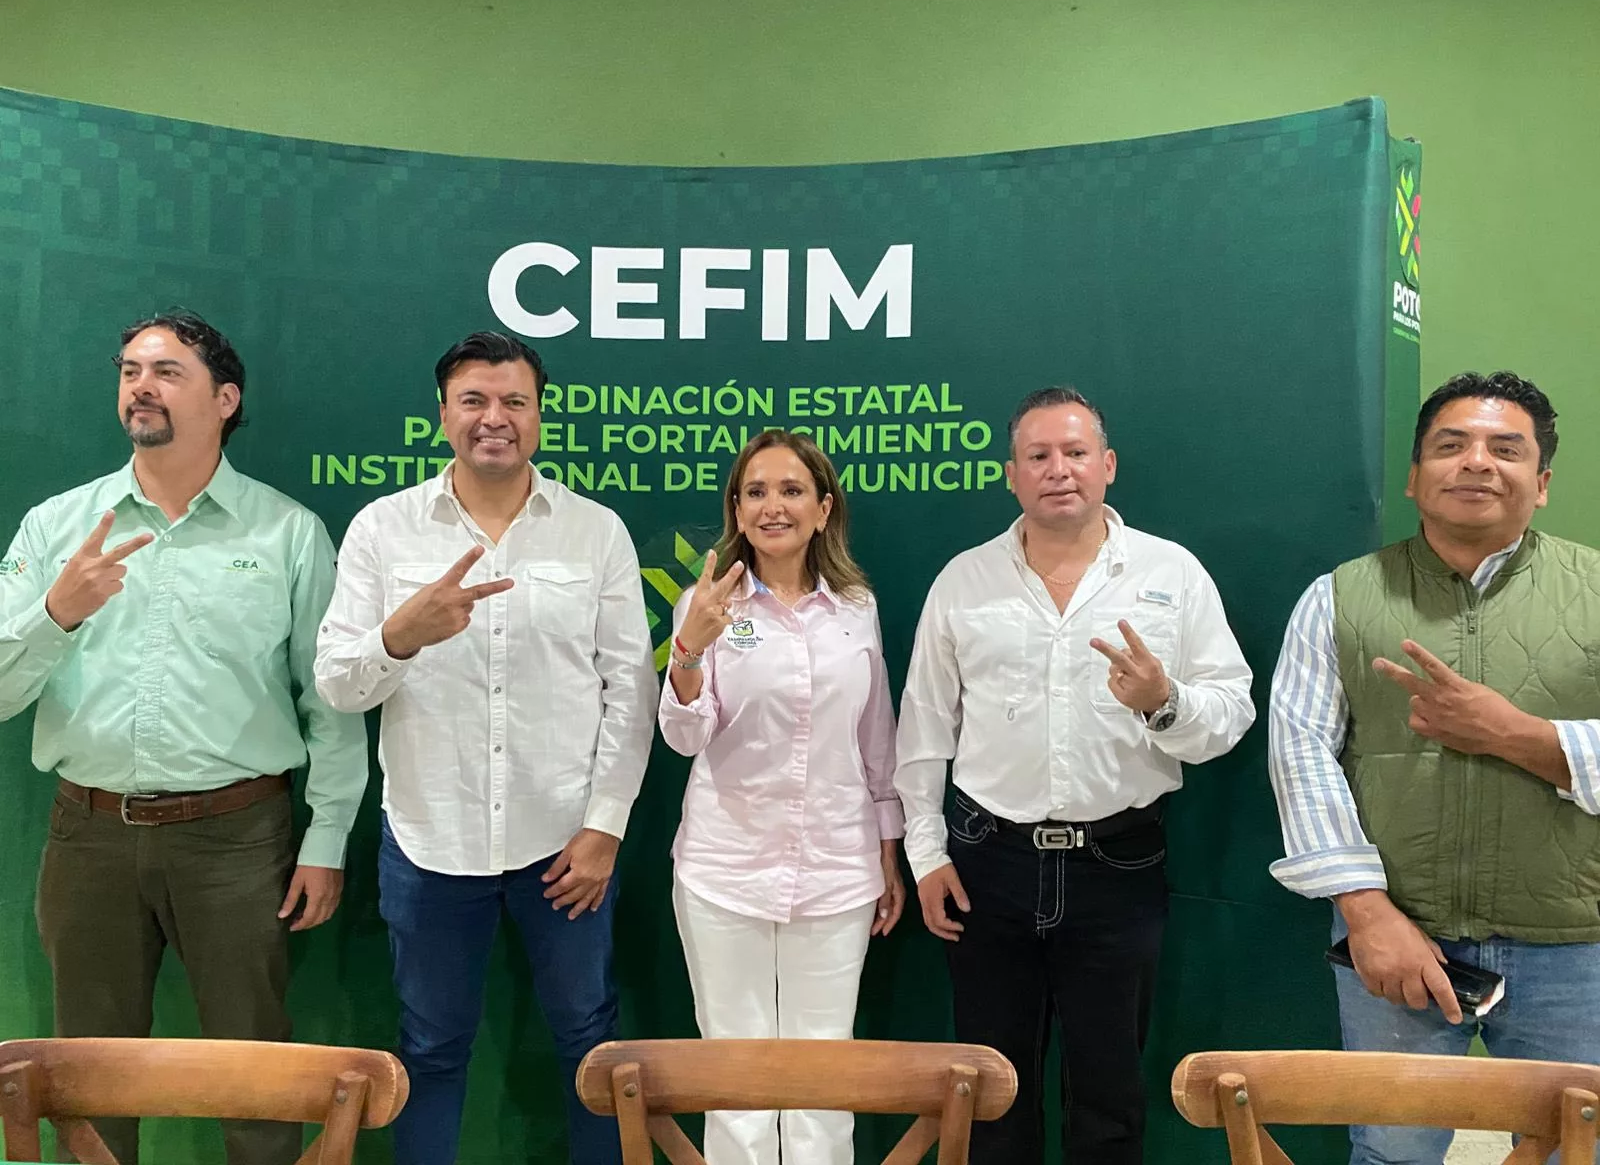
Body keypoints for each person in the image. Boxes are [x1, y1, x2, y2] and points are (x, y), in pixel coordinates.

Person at [0, 311, 368, 1165]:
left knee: (254, 1073)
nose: (142, 386)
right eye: (130, 370)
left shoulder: (287, 532)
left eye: (167, 372)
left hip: (239, 839)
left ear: (224, 399)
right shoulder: (57, 526)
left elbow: (331, 703)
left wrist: (326, 839)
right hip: (89, 835)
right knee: (89, 1074)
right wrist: (57, 612)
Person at [313, 330, 656, 1165]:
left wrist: (605, 826)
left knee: (591, 1045)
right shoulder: (383, 529)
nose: (493, 418)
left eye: (513, 401)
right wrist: (400, 635)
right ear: (442, 415)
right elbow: (337, 684)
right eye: (473, 400)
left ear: (539, 416)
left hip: (565, 845)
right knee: (429, 1048)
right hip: (430, 842)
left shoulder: (595, 531)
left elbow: (630, 688)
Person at [896, 385, 1254, 1164]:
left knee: (1109, 1099)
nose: (1058, 469)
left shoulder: (1171, 573)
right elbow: (923, 728)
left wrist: (1164, 702)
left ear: (1108, 465)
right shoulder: (965, 580)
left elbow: (1232, 713)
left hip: (1117, 866)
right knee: (990, 1096)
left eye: (1075, 452)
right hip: (987, 865)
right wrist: (925, 855)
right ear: (1011, 475)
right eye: (1038, 456)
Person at [1268, 371, 1600, 1165]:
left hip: (1575, 943)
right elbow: (1300, 756)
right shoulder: (1339, 598)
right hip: (1400, 937)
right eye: (1452, 446)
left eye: (1506, 449)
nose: (1477, 462)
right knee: (1391, 1152)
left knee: (1574, 1149)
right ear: (1416, 477)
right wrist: (1367, 914)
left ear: (1542, 483)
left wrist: (1517, 735)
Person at [658, 430, 905, 1165]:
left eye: (792, 490)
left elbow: (876, 736)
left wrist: (888, 848)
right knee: (736, 1082)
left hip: (836, 873)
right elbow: (683, 736)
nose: (774, 506)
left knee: (822, 1080)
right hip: (725, 872)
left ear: (824, 509)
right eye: (756, 492)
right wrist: (688, 649)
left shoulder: (856, 606)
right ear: (736, 511)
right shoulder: (705, 605)